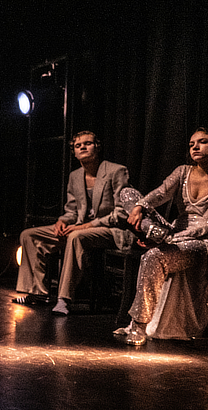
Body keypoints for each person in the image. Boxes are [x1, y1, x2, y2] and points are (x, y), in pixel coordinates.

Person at [115, 127, 208, 345]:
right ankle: (154, 231)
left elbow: (206, 226)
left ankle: (138, 326)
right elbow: (161, 193)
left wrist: (169, 240)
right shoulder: (183, 171)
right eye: (192, 144)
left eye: (203, 142)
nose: (195, 147)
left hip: (203, 244)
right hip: (171, 232)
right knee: (127, 194)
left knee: (152, 257)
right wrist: (141, 207)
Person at [13, 131, 134, 314]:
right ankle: (36, 292)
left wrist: (86, 226)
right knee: (29, 235)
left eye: (88, 144)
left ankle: (64, 299)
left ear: (97, 147)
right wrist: (62, 221)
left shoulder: (116, 171)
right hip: (79, 227)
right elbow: (72, 210)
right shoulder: (75, 176)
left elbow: (122, 213)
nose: (83, 147)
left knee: (76, 236)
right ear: (74, 153)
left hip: (110, 230)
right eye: (78, 146)